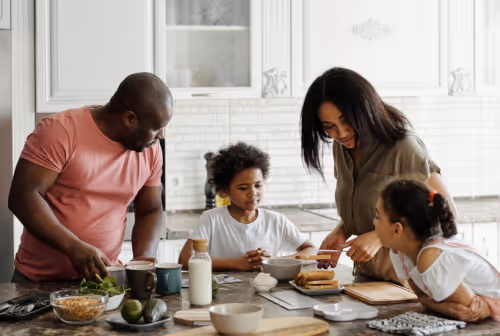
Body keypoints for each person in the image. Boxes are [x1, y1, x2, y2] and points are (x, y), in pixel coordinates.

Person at [8, 72, 173, 282]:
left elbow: (150, 210)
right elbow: (23, 197)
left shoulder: (150, 149)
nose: (161, 136)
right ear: (129, 118)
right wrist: (73, 247)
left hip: (103, 281)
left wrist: (143, 261)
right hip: (39, 282)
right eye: (156, 128)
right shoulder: (61, 131)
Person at [300, 67, 456, 283]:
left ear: (364, 110)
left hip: (411, 286)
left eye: (346, 121)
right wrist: (342, 231)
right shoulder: (342, 147)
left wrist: (380, 238)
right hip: (368, 280)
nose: (341, 133)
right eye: (329, 127)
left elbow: (444, 214)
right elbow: (371, 208)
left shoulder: (404, 148)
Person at [374, 179, 500, 322]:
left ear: (397, 229)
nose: (373, 222)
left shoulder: (431, 258)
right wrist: (441, 307)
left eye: (378, 217)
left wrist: (436, 305)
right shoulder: (401, 253)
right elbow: (423, 299)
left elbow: (470, 311)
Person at [178, 142, 317, 271]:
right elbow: (185, 259)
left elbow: (312, 251)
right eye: (243, 188)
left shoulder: (276, 221)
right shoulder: (211, 219)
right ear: (225, 190)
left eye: (258, 185)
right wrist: (237, 263)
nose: (253, 193)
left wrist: (274, 261)